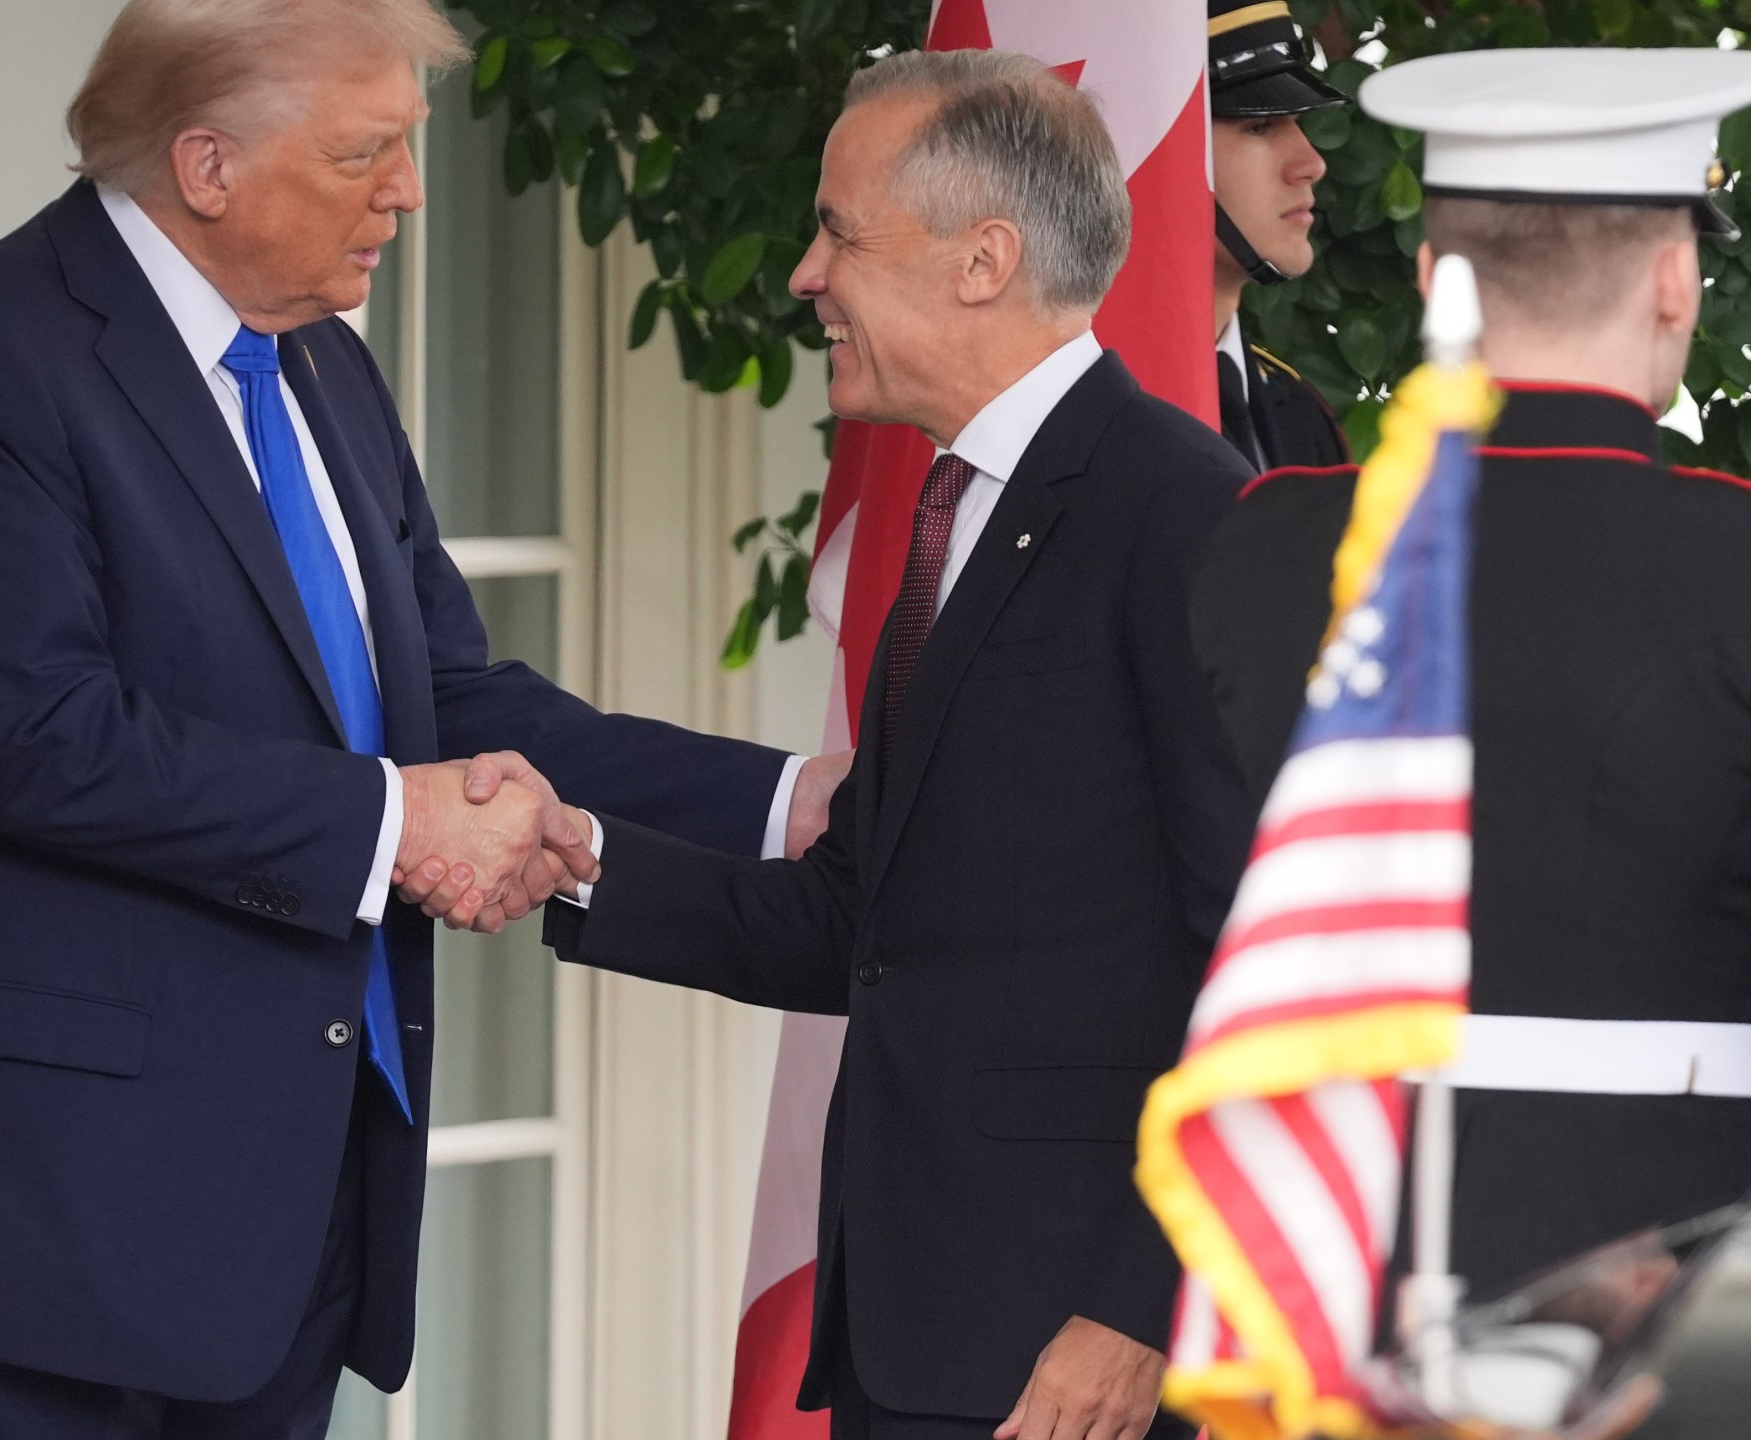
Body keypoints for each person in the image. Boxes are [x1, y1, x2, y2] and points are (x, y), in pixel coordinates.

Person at [0, 1, 846, 1435]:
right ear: (206, 164)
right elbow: (35, 738)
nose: (408, 190)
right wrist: (396, 822)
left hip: (274, 1225)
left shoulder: (320, 361)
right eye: (368, 152)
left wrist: (784, 805)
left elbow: (447, 696)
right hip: (17, 1237)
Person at [532, 50, 1256, 1440]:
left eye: (839, 232)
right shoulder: (953, 514)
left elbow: (1260, 949)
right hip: (917, 1333)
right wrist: (575, 860)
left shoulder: (1179, 511)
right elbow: (857, 921)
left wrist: (1141, 1307)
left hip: (1078, 1356)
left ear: (984, 261)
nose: (806, 274)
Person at [1188, 46, 1751, 1303]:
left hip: (1322, 1259)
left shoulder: (1263, 545)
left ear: (1431, 282)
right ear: (1676, 283)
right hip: (1678, 1254)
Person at [1206, 0, 1350, 471]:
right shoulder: (1063, 413)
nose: (1312, 163)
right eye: (1261, 125)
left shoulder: (1301, 414)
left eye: (1297, 122)